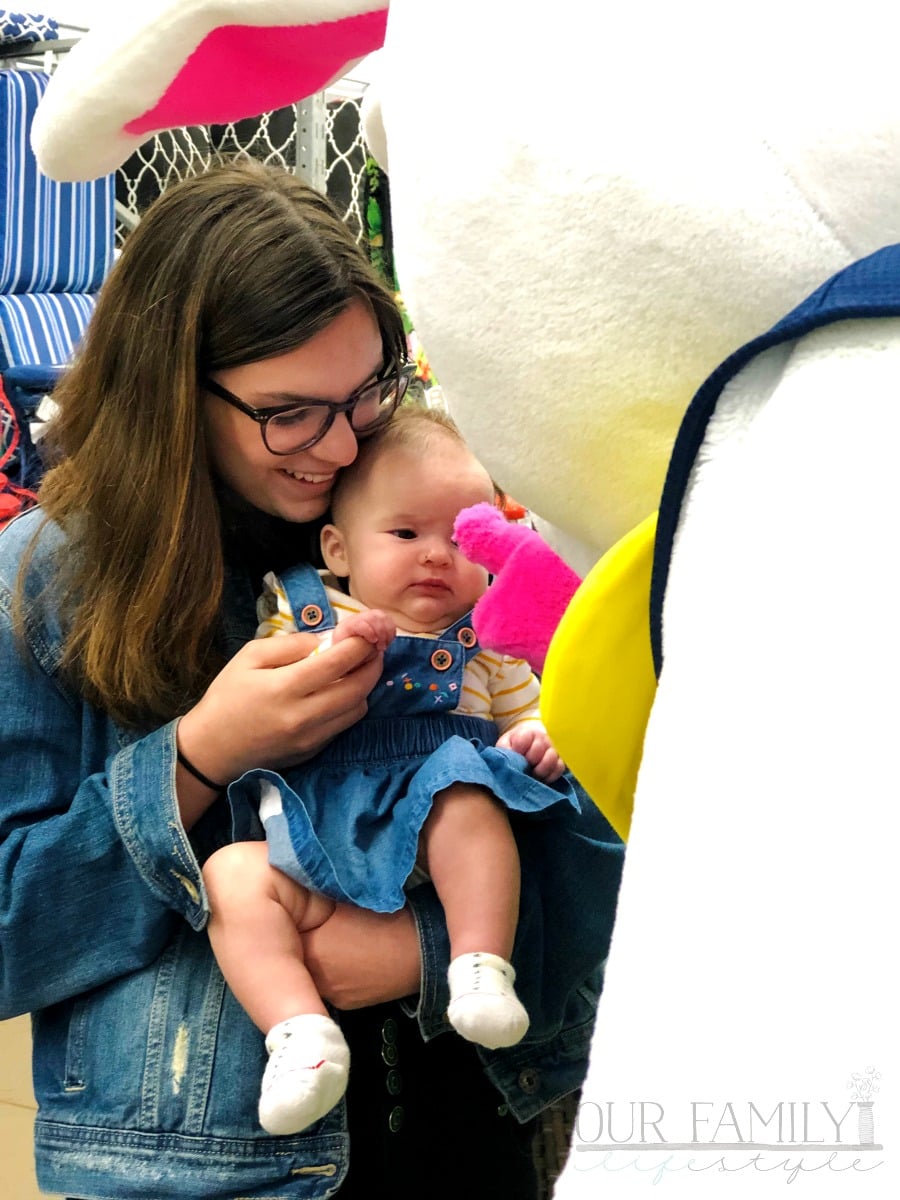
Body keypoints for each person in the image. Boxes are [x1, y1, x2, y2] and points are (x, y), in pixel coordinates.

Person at [0, 159, 624, 1200]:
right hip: (206, 1167)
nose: (339, 446)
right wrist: (201, 757)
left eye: (367, 394)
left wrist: (428, 942)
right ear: (170, 386)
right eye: (290, 412)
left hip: (484, 1115)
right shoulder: (47, 581)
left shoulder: (446, 535)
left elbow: (612, 835)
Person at [203, 405, 580, 1137]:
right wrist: (340, 652)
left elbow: (527, 714)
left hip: (442, 849)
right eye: (406, 533)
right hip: (320, 840)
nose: (437, 555)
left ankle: (478, 965)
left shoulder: (491, 639)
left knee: (463, 788)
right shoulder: (305, 608)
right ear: (338, 549)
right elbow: (270, 698)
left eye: (460, 536)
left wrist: (537, 738)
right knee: (230, 877)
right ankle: (299, 1036)